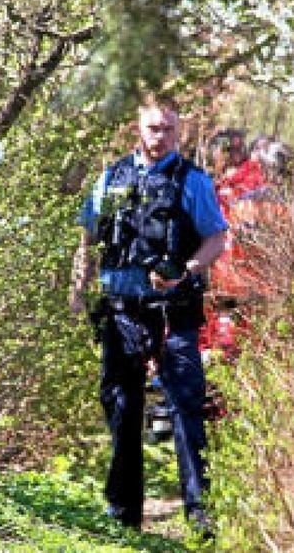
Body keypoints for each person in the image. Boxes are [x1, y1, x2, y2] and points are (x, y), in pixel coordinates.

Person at [70, 97, 227, 535]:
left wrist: (186, 272)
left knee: (185, 407)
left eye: (169, 130)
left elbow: (216, 240)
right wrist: (77, 292)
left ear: (179, 132)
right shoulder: (110, 178)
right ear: (137, 128)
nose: (161, 137)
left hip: (174, 313)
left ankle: (200, 515)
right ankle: (124, 512)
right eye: (154, 128)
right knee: (121, 407)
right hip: (121, 312)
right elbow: (87, 239)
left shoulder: (192, 181)